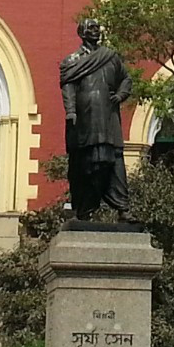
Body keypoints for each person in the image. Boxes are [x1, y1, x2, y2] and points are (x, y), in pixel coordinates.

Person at [59, 19, 133, 222]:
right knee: (84, 164)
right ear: (82, 33)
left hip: (108, 119)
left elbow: (126, 79)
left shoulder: (110, 57)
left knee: (115, 160)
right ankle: (84, 209)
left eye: (97, 28)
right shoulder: (71, 61)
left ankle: (123, 208)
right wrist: (71, 111)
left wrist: (120, 95)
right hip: (84, 120)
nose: (96, 31)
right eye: (91, 28)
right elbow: (68, 88)